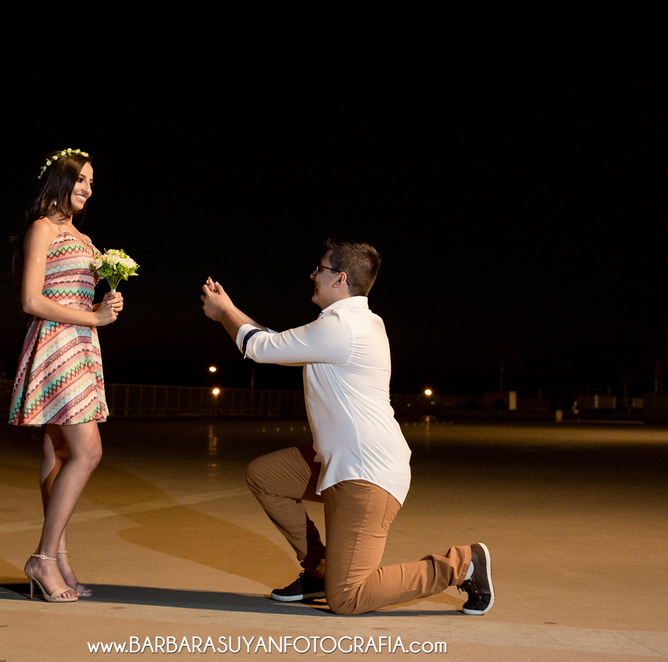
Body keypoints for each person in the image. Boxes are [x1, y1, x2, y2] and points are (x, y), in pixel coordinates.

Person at [200, 239, 494, 616]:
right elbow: (275, 342)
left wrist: (224, 313)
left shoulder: (343, 328)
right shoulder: (351, 324)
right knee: (266, 475)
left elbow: (262, 348)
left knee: (348, 598)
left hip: (366, 474)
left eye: (319, 269)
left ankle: (463, 565)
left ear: (339, 279)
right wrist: (232, 310)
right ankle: (319, 572)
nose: (312, 274)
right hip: (339, 464)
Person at [8, 148, 123, 603]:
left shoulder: (86, 238)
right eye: (80, 179)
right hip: (58, 344)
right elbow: (31, 300)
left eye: (92, 183)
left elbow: (83, 296)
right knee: (87, 452)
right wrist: (92, 318)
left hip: (80, 345)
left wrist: (107, 305)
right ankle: (43, 557)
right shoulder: (43, 228)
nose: (87, 189)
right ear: (59, 179)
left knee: (57, 453)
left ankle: (58, 556)